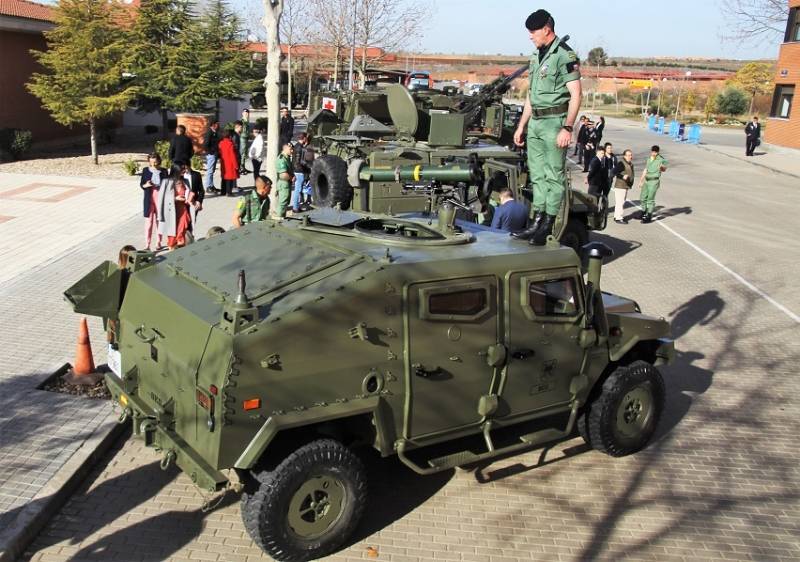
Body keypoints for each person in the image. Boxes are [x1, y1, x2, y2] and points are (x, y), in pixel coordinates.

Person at [511, 9, 582, 246]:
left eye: (533, 32)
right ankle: (536, 221)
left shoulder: (564, 55)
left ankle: (548, 224)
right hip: (536, 123)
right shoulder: (536, 56)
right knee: (538, 175)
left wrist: (568, 128)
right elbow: (531, 95)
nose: (531, 36)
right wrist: (522, 125)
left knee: (554, 176)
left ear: (546, 30)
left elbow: (576, 94)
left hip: (554, 122)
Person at [140, 153, 166, 250]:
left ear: (159, 161)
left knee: (159, 221)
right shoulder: (146, 170)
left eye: (155, 162)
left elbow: (166, 185)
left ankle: (159, 242)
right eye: (151, 162)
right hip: (149, 198)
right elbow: (142, 184)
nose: (153, 164)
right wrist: (146, 185)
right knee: (149, 222)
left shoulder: (163, 171)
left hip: (160, 197)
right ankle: (147, 244)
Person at [638, 145, 668, 223]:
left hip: (654, 181)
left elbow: (664, 168)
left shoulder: (661, 159)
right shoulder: (649, 159)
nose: (653, 153)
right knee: (642, 197)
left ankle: (649, 215)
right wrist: (641, 180)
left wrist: (662, 168)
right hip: (647, 180)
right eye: (653, 152)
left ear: (658, 152)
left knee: (650, 199)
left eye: (655, 152)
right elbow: (645, 170)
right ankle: (644, 212)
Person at [178, 160, 204, 230]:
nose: (185, 170)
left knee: (192, 223)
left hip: (193, 203)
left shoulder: (196, 175)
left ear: (189, 166)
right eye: (183, 169)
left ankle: (190, 238)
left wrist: (199, 201)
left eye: (186, 168)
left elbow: (201, 190)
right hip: (182, 204)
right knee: (183, 223)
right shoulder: (179, 176)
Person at [611, 149, 634, 224]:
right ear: (624, 156)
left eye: (631, 155)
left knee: (621, 202)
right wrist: (622, 176)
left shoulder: (630, 163)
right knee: (620, 202)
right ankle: (618, 217)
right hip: (620, 186)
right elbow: (614, 171)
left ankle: (616, 216)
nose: (630, 157)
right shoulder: (621, 163)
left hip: (625, 186)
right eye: (628, 155)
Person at [290, 132, 312, 213]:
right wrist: (308, 167)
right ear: (304, 138)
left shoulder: (297, 146)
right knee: (298, 190)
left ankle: (296, 206)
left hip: (297, 171)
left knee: (298, 190)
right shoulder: (299, 148)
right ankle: (295, 208)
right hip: (299, 172)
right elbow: (298, 161)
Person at [218, 129, 240, 196]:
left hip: (223, 162)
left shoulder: (221, 143)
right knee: (229, 178)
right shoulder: (230, 144)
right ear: (229, 136)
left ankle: (223, 191)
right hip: (230, 163)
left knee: (224, 177)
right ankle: (229, 192)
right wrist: (236, 165)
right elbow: (232, 156)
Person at [275, 143, 294, 217]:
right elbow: (283, 175)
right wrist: (292, 178)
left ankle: (282, 217)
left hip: (286, 183)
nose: (292, 151)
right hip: (283, 184)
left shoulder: (287, 157)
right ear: (285, 149)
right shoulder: (281, 159)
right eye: (290, 149)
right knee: (282, 204)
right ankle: (279, 219)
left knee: (285, 204)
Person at [203, 121, 220, 193]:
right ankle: (208, 187)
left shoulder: (214, 132)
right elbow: (205, 145)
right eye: (217, 124)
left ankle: (211, 185)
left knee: (212, 171)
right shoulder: (209, 133)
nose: (218, 125)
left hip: (214, 154)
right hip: (211, 154)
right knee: (210, 171)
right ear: (213, 125)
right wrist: (211, 152)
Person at [239, 108, 251, 173]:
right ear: (242, 114)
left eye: (247, 113)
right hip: (242, 139)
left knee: (245, 154)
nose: (246, 114)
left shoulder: (246, 121)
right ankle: (241, 168)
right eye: (245, 113)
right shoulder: (242, 121)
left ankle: (243, 167)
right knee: (242, 153)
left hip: (246, 138)